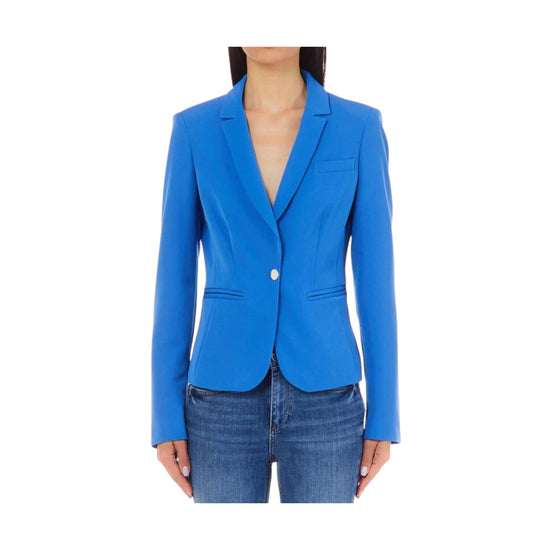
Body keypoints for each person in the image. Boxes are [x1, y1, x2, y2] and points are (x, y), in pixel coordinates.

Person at [151, 47, 401, 503]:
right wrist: (165, 415)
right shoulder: (194, 130)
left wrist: (385, 414)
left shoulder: (359, 127)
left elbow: (376, 283)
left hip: (326, 395)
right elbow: (174, 279)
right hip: (220, 398)